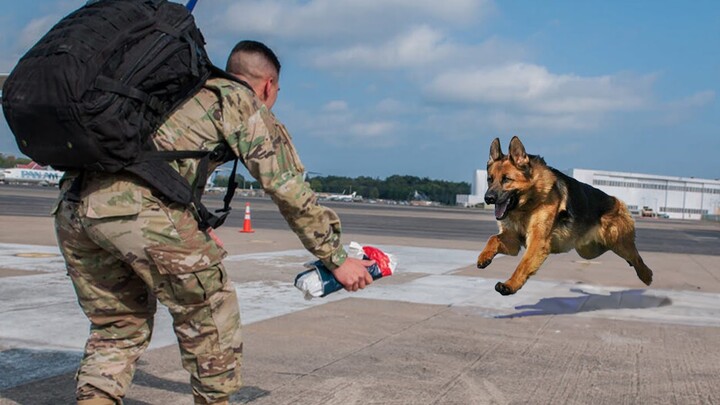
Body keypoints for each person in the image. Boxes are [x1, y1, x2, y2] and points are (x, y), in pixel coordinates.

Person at [53, 40, 375, 405]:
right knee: (211, 310)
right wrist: (335, 258)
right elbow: (287, 187)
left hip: (75, 208)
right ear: (268, 85)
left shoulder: (176, 93)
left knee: (118, 324)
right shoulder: (238, 101)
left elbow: (161, 166)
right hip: (137, 210)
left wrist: (194, 227)